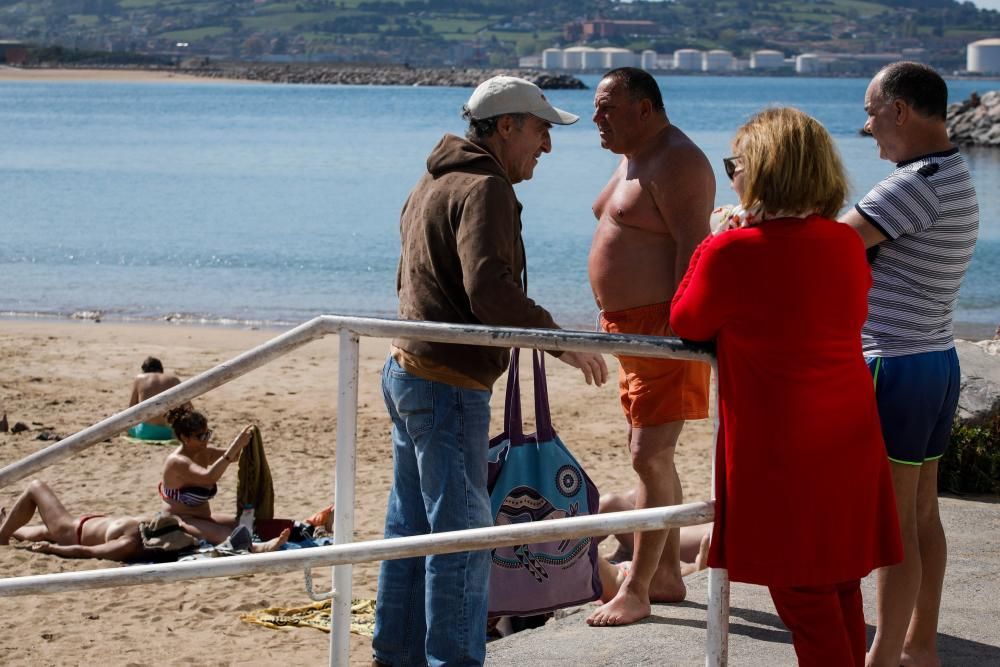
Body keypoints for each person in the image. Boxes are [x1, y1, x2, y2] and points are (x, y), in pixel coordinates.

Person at [374, 75, 608, 667]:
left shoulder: (433, 178)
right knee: (464, 538)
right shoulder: (486, 187)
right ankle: (453, 659)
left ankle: (394, 652)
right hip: (448, 382)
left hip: (407, 366)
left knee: (410, 530)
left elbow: (415, 278)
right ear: (507, 127)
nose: (547, 146)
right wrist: (561, 341)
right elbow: (489, 292)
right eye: (540, 130)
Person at [669, 106, 903, 665]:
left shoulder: (735, 250)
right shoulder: (846, 243)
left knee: (803, 597)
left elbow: (686, 320)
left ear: (767, 169)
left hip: (784, 447)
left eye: (737, 163)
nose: (732, 174)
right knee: (838, 587)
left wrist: (713, 237)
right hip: (848, 432)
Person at [839, 62, 980, 667]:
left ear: (900, 110)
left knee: (893, 526)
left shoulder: (911, 183)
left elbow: (829, 247)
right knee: (923, 515)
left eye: (871, 112)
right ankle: (920, 645)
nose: (866, 126)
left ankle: (883, 656)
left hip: (893, 365)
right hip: (937, 360)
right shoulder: (955, 175)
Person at [586, 67, 715, 627]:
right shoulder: (634, 156)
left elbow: (697, 256)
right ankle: (664, 575)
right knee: (647, 458)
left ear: (645, 108)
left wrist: (684, 339)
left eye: (608, 108)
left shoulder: (678, 161)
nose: (596, 118)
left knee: (649, 455)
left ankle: (638, 587)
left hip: (665, 333)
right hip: (633, 337)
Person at [0, 479, 288, 561]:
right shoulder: (148, 532)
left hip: (70, 531)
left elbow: (86, 552)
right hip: (85, 524)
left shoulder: (128, 543)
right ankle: (9, 528)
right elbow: (189, 523)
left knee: (36, 487)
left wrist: (52, 550)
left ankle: (3, 533)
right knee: (29, 532)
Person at [160, 406, 255, 545]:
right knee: (232, 537)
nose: (206, 440)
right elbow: (209, 477)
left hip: (203, 518)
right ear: (184, 437)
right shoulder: (176, 461)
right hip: (181, 521)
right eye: (201, 436)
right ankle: (261, 549)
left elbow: (235, 456)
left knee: (249, 525)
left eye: (207, 434)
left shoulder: (204, 452)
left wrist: (246, 441)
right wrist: (235, 445)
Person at [127, 356, 184, 440]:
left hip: (145, 432)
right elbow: (188, 408)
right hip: (170, 433)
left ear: (144, 371)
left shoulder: (140, 378)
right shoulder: (174, 379)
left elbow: (131, 410)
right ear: (161, 369)